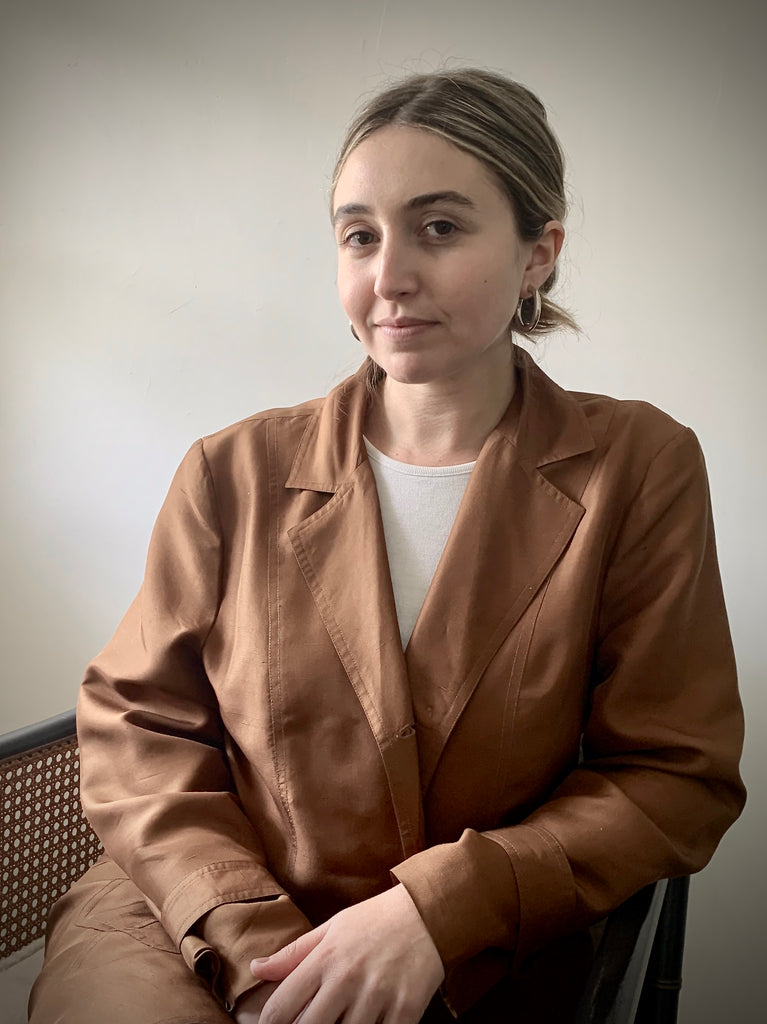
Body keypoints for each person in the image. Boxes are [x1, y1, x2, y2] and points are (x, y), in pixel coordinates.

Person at [29, 68, 745, 1024]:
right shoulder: (232, 470)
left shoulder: (636, 467)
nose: (388, 277)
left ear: (539, 252)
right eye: (359, 236)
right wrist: (256, 944)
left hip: (478, 946)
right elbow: (138, 728)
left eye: (439, 228)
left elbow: (673, 773)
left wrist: (439, 911)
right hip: (193, 920)